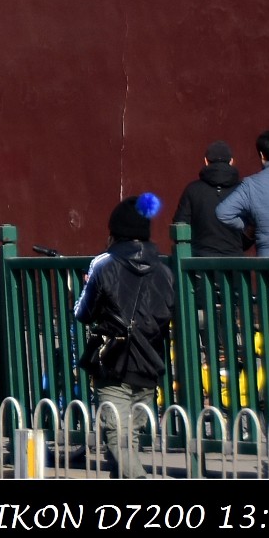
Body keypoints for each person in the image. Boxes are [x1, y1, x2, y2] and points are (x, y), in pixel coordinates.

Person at [74, 193, 176, 480]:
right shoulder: (165, 271)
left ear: (114, 231)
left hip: (114, 360)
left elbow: (82, 312)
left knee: (116, 434)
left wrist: (86, 287)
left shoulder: (103, 265)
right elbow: (168, 314)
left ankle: (141, 479)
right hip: (149, 362)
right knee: (130, 437)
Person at [172, 142, 250, 256]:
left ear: (206, 161)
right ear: (231, 162)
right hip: (235, 262)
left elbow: (179, 225)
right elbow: (252, 226)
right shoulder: (243, 189)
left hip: (200, 262)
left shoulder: (192, 189)